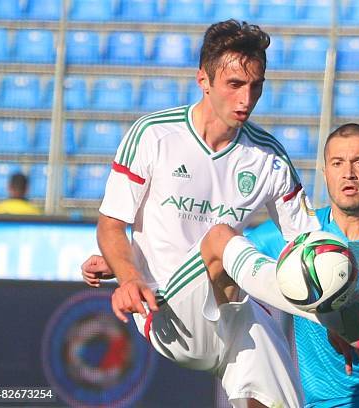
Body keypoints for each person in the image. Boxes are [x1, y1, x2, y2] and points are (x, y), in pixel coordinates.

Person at [86, 123, 359, 407]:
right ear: (325, 171)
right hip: (325, 403)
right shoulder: (297, 238)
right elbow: (215, 259)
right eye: (338, 163)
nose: (348, 174)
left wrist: (350, 305)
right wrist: (126, 264)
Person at [92, 19, 321, 408]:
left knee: (272, 399)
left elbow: (308, 244)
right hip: (166, 314)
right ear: (204, 80)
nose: (246, 99)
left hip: (231, 307)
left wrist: (335, 311)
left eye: (256, 86)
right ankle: (304, 306)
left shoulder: (269, 156)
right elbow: (112, 225)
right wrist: (128, 277)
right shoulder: (154, 135)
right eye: (234, 85)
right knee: (221, 237)